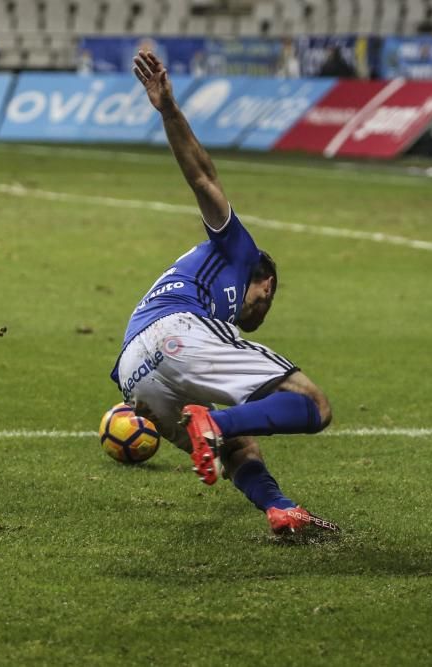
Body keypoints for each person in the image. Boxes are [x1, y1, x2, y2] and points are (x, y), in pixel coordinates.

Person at [110, 50, 338, 536]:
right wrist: (169, 109)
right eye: (266, 301)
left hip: (133, 372)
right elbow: (202, 177)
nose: (258, 312)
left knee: (238, 450)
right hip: (179, 333)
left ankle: (282, 510)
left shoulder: (197, 282)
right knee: (313, 405)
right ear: (267, 283)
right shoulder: (239, 250)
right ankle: (216, 425)